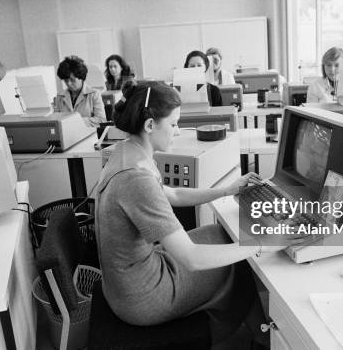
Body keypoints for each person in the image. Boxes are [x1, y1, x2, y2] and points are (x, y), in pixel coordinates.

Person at [94, 80, 306, 348]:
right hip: (142, 298)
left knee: (220, 234)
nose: (178, 131)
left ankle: (252, 329)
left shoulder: (125, 153)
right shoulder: (136, 178)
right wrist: (265, 243)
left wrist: (226, 190)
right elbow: (192, 259)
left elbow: (173, 195)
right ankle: (253, 336)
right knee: (239, 262)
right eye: (173, 124)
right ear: (150, 126)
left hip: (122, 286)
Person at [54, 56, 106, 127]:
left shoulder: (94, 94)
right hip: (67, 135)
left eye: (72, 80)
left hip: (88, 135)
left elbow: (101, 120)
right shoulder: (60, 96)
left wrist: (75, 121)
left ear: (81, 77)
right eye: (66, 80)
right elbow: (56, 121)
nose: (69, 83)